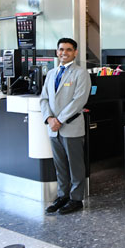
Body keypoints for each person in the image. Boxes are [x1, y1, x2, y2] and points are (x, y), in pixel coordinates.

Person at [40, 37, 91, 215]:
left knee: (75, 165)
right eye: (61, 49)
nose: (64, 53)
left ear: (75, 52)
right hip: (53, 128)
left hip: (70, 126)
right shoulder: (51, 73)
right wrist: (49, 118)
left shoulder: (81, 73)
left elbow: (79, 100)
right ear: (57, 52)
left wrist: (59, 120)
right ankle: (63, 196)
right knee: (60, 165)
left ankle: (76, 199)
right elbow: (44, 98)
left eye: (69, 49)